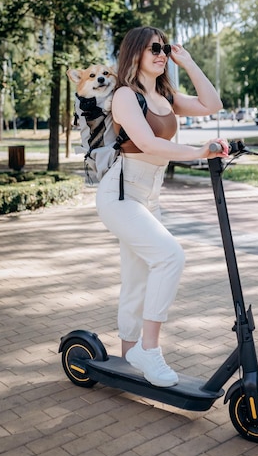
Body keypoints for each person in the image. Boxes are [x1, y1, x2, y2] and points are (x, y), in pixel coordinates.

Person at [96, 26, 227, 387]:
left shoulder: (165, 95)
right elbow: (149, 144)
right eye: (154, 48)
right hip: (120, 195)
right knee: (170, 256)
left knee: (136, 279)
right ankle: (148, 351)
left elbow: (212, 104)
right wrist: (199, 152)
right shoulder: (125, 96)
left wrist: (186, 61)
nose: (161, 53)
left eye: (164, 48)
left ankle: (128, 358)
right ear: (135, 53)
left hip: (149, 197)